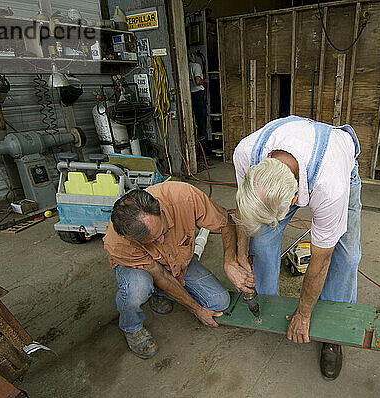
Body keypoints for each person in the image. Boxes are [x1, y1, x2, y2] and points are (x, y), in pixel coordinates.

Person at [228, 115, 361, 380]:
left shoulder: (330, 185)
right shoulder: (245, 153)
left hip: (336, 165)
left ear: (293, 200)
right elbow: (244, 211)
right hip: (293, 166)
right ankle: (266, 305)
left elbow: (320, 261)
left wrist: (303, 313)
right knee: (263, 240)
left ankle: (332, 332)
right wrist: (241, 257)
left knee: (346, 257)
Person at [103, 181, 237, 359]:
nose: (160, 242)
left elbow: (226, 222)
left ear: (160, 209)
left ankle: (159, 293)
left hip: (177, 259)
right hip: (141, 268)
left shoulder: (184, 197)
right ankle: (132, 327)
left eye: (162, 233)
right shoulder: (119, 243)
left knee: (219, 302)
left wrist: (231, 261)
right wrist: (196, 309)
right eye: (151, 242)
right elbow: (160, 275)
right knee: (138, 289)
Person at [189, 52, 209, 144]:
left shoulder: (187, 66)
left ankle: (198, 148)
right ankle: (204, 148)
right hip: (198, 95)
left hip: (191, 95)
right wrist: (206, 80)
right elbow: (198, 81)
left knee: (195, 122)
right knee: (202, 123)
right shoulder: (196, 66)